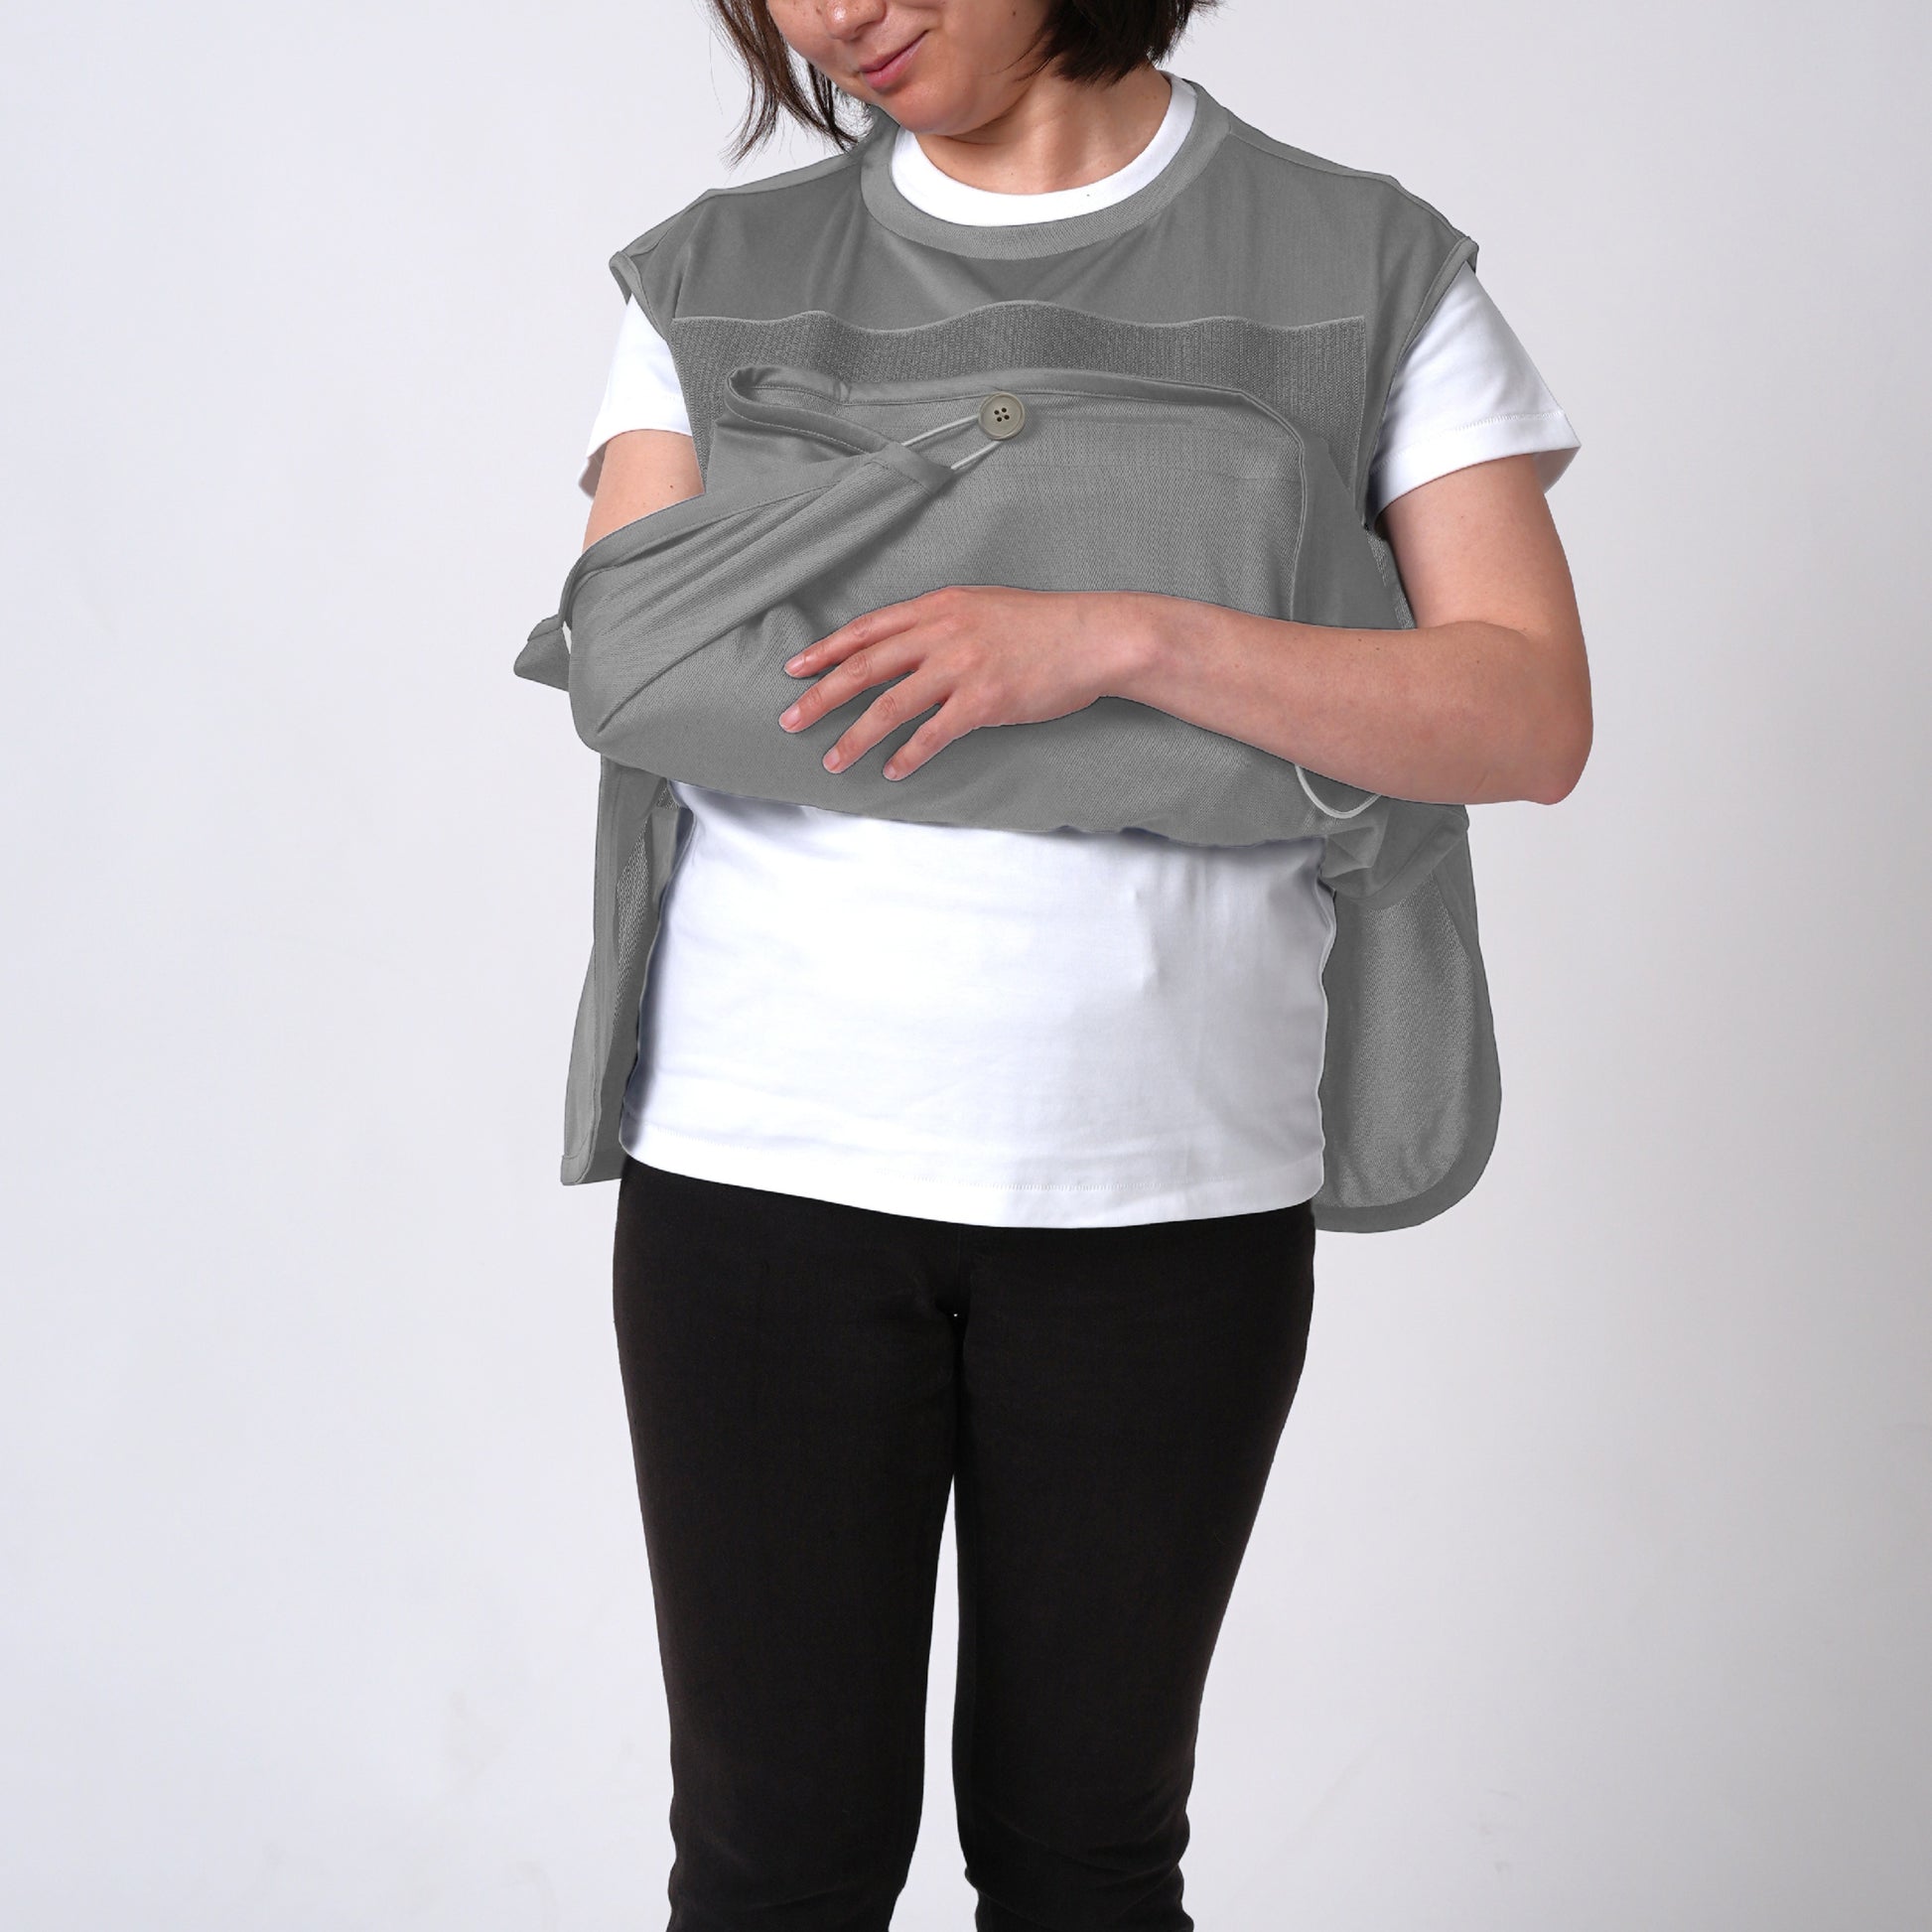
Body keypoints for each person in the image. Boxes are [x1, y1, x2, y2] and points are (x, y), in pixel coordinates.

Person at [572, 3, 1588, 1925]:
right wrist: (1279, 748)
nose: (830, 15)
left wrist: (1118, 637)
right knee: (773, 1867)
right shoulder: (712, 277)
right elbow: (641, 683)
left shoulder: (1361, 264)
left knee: (1086, 1863)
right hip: (761, 1175)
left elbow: (1521, 716)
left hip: (1167, 1192)